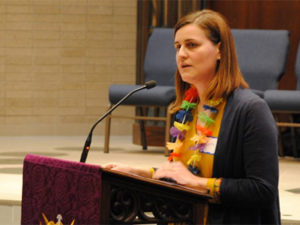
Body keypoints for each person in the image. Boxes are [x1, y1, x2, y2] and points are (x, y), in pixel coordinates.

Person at [105, 9, 280, 225]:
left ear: (220, 51)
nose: (181, 54)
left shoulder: (251, 110)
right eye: (177, 47)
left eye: (191, 45)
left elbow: (263, 190)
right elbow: (181, 175)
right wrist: (137, 173)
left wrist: (197, 183)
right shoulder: (186, 109)